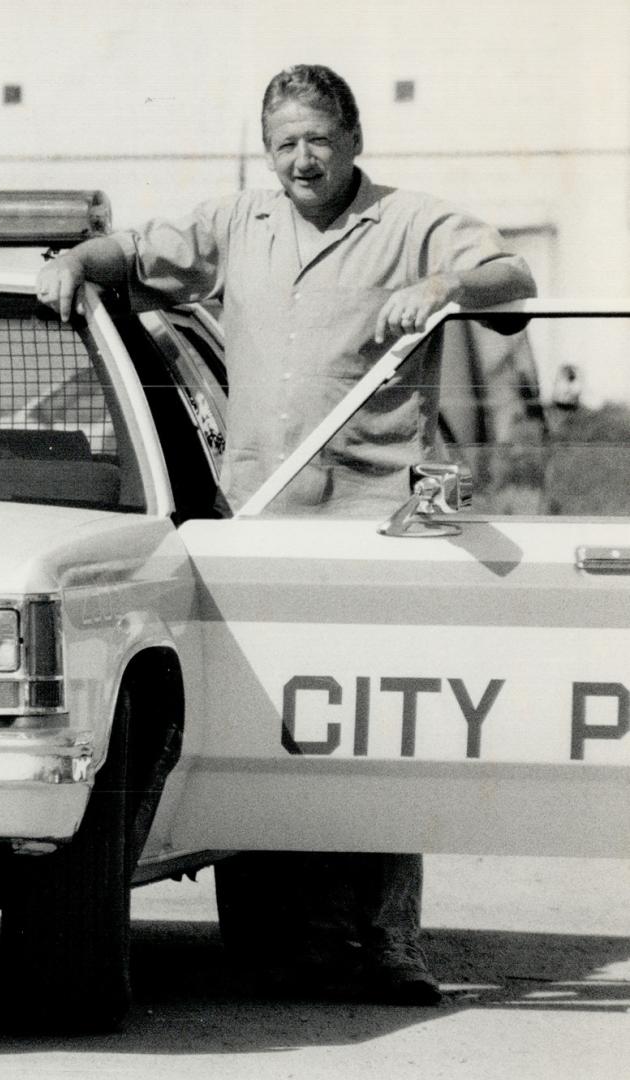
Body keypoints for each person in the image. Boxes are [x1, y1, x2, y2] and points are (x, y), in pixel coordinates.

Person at [35, 63, 536, 1004]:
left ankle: (386, 945)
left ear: (353, 140)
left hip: (380, 526)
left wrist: (443, 285)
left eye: (317, 139)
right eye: (284, 144)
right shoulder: (239, 225)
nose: (302, 159)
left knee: (383, 737)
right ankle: (283, 947)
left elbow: (515, 277)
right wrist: (73, 263)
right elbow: (135, 253)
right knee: (266, 733)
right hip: (260, 524)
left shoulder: (412, 220)